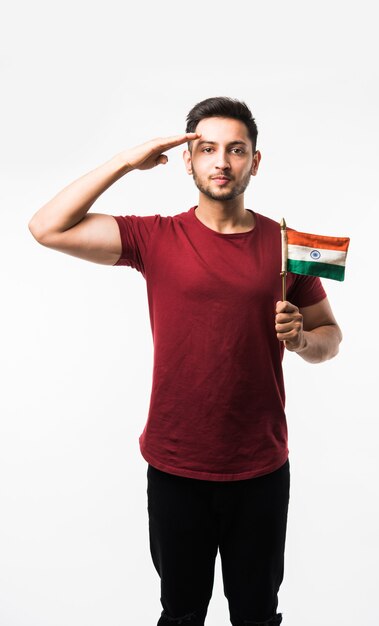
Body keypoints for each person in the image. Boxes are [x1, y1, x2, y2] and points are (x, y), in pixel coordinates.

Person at [28, 97, 342, 626]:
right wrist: (128, 161)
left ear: (255, 162)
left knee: (258, 614)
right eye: (207, 149)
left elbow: (330, 337)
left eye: (236, 150)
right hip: (175, 465)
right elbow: (46, 227)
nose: (222, 161)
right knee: (180, 614)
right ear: (189, 160)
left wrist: (301, 342)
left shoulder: (294, 244)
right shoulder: (155, 236)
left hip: (261, 467)